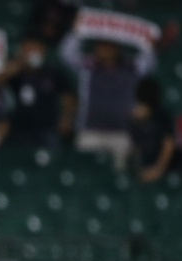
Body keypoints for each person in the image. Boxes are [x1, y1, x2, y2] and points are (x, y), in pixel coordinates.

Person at [60, 29, 156, 170]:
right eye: (100, 45)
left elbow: (149, 62)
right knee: (84, 173)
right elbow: (66, 55)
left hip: (121, 133)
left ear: (116, 48)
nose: (102, 49)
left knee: (120, 177)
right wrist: (77, 32)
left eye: (107, 46)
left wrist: (146, 43)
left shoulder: (130, 66)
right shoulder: (88, 65)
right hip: (90, 131)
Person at [1, 36, 75, 150]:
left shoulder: (53, 72)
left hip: (48, 127)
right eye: (29, 49)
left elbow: (68, 97)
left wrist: (66, 118)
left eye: (36, 49)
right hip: (19, 127)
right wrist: (18, 64)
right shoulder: (15, 73)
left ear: (43, 50)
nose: (33, 53)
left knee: (52, 161)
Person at [129, 78, 174, 183]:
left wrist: (158, 168)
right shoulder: (131, 117)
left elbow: (168, 143)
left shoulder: (162, 116)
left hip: (159, 165)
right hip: (138, 163)